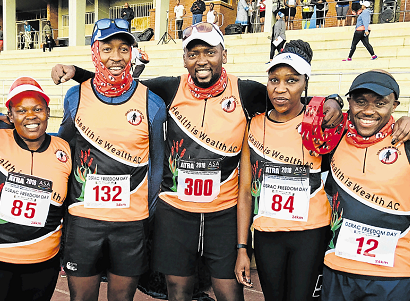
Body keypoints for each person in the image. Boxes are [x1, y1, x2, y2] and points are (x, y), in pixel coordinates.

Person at [50, 22, 344, 301]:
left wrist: (332, 100)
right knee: (178, 291)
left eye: (210, 52)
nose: (201, 61)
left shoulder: (246, 92)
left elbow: (290, 94)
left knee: (229, 290)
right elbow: (119, 82)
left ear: (224, 55)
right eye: (193, 54)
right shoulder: (168, 88)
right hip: (176, 214)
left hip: (223, 214)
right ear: (185, 59)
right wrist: (76, 71)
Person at [57, 18, 166, 301]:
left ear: (133, 53)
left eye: (123, 48)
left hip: (130, 224)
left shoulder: (151, 102)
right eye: (107, 49)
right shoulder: (74, 97)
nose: (115, 57)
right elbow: (63, 154)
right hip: (84, 221)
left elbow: (156, 167)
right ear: (95, 52)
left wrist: (145, 213)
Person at [235, 39, 343, 301]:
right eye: (274, 80)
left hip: (311, 232)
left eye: (292, 80)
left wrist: (336, 101)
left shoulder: (321, 122)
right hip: (267, 233)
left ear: (305, 82)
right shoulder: (255, 124)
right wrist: (242, 248)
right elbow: (246, 193)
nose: (280, 88)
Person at [322, 70, 410, 301]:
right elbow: (288, 102)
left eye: (380, 103)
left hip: (392, 276)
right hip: (337, 266)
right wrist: (333, 99)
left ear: (394, 105)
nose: (368, 111)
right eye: (360, 102)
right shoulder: (335, 137)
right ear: (350, 102)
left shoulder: (406, 143)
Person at [0, 76, 72, 301]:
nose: (31, 116)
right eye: (20, 110)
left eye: (38, 109)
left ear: (48, 112)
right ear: (10, 116)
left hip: (44, 263)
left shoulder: (65, 148)